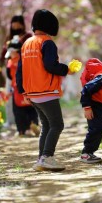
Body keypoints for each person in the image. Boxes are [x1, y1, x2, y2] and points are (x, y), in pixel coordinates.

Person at [16, 9, 77, 172]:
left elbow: (19, 70)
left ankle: (41, 158)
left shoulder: (27, 43)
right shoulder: (47, 42)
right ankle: (47, 157)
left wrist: (24, 91)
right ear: (50, 25)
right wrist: (67, 70)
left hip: (32, 93)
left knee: (46, 125)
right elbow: (50, 65)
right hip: (46, 91)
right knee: (57, 124)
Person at [5, 35, 40, 137]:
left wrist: (8, 90)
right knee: (31, 108)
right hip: (29, 88)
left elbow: (9, 77)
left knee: (18, 110)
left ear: (14, 51)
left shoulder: (10, 63)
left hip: (17, 89)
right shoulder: (26, 59)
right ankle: (33, 124)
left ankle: (21, 130)